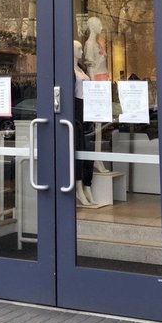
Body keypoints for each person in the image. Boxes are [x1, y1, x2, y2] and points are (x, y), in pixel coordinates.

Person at [73, 40, 98, 206]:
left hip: (87, 110)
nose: (82, 52)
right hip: (77, 111)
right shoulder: (69, 71)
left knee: (89, 148)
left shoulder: (81, 69)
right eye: (79, 48)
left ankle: (87, 185)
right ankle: (78, 187)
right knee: (79, 148)